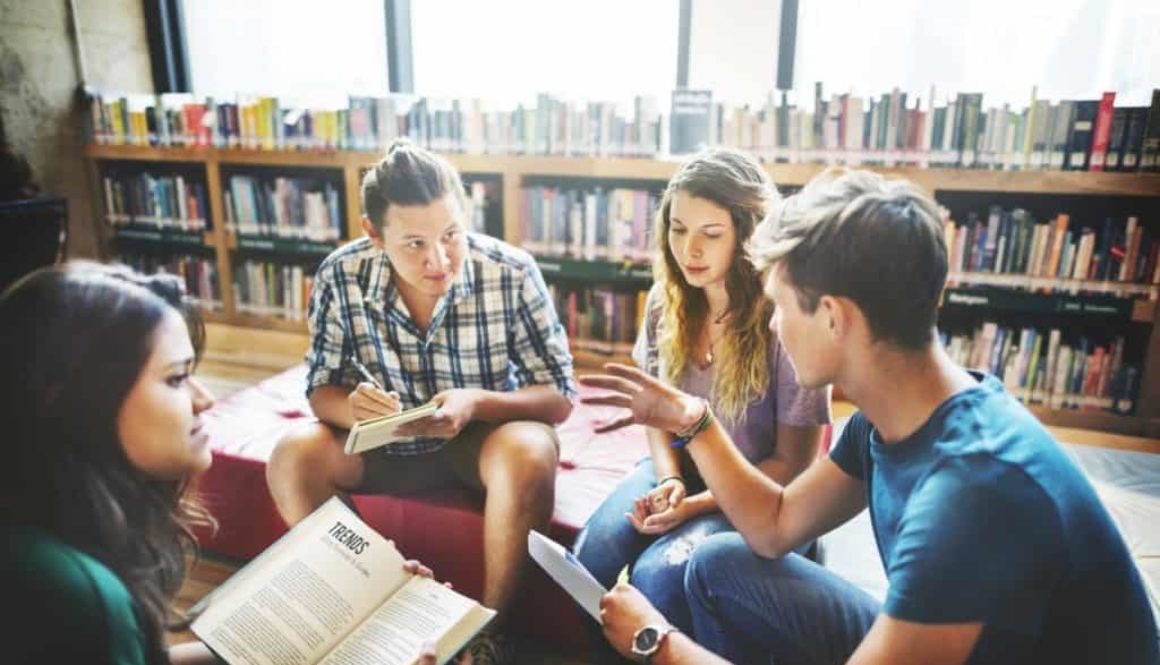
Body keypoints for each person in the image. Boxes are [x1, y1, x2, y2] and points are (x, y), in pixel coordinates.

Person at [583, 169, 1159, 664]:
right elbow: (775, 525)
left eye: (779, 306)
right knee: (718, 562)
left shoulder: (976, 494)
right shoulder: (890, 421)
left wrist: (657, 644)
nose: (774, 325)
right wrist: (695, 421)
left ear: (834, 317)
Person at [266, 139, 576, 663]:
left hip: (479, 443)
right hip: (382, 448)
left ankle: (490, 632)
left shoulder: (513, 271)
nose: (439, 260)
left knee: (530, 449)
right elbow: (321, 389)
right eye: (414, 244)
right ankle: (374, 614)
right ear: (373, 234)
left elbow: (560, 397)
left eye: (451, 234)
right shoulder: (339, 276)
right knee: (292, 456)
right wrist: (352, 409)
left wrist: (476, 403)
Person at [571, 148, 828, 645]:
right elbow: (656, 416)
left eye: (711, 235)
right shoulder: (665, 307)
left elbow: (793, 467)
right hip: (679, 470)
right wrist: (669, 478)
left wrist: (692, 506)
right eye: (677, 229)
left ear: (748, 236)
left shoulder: (785, 322)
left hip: (755, 489)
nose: (689, 249)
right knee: (588, 558)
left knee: (655, 578)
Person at [0, 262, 220, 664]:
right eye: (176, 378)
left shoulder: (40, 525)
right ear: (77, 401)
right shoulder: (73, 591)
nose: (204, 399)